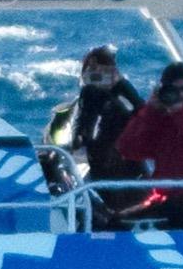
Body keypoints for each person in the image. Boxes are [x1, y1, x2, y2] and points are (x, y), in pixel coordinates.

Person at [92, 60, 183, 228]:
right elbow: (128, 149)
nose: (182, 95)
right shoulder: (164, 121)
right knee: (114, 224)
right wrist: (150, 112)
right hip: (169, 202)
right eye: (174, 91)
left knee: (177, 210)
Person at [45, 46, 141, 178]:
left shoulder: (123, 104)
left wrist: (122, 86)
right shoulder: (68, 110)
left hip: (107, 164)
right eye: (92, 73)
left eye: (103, 74)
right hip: (89, 163)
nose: (97, 78)